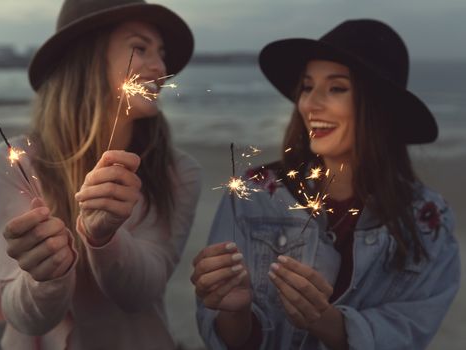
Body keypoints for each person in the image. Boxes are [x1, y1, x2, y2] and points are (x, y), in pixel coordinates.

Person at [191, 19, 460, 349]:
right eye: (307, 87)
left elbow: (411, 330)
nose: (310, 104)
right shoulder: (255, 192)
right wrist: (234, 313)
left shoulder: (428, 221)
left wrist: (329, 323)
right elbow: (220, 333)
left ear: (379, 107)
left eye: (336, 88)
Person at [0, 0, 201, 349]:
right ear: (86, 57)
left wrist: (105, 237)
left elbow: (142, 292)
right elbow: (24, 316)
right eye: (139, 48)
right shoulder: (14, 164)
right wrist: (45, 275)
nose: (161, 67)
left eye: (161, 53)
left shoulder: (178, 172)